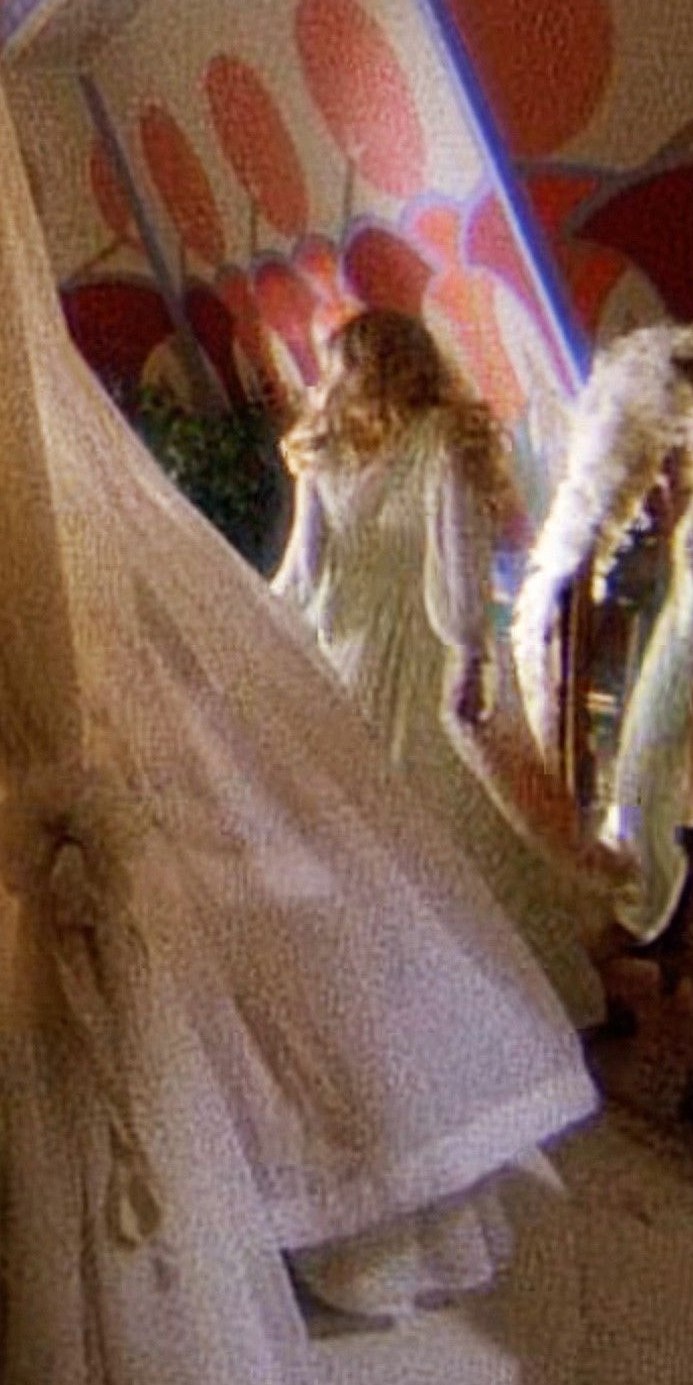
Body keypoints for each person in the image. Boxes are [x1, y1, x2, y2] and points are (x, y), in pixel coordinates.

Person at [272, 307, 606, 1024]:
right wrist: (254, 623)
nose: (336, 380)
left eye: (346, 365)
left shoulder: (440, 440)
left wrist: (468, 652)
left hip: (426, 656)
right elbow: (301, 571)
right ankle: (380, 992)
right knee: (362, 821)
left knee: (443, 820)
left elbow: (460, 558)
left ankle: (468, 997)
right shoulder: (322, 454)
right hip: (354, 654)